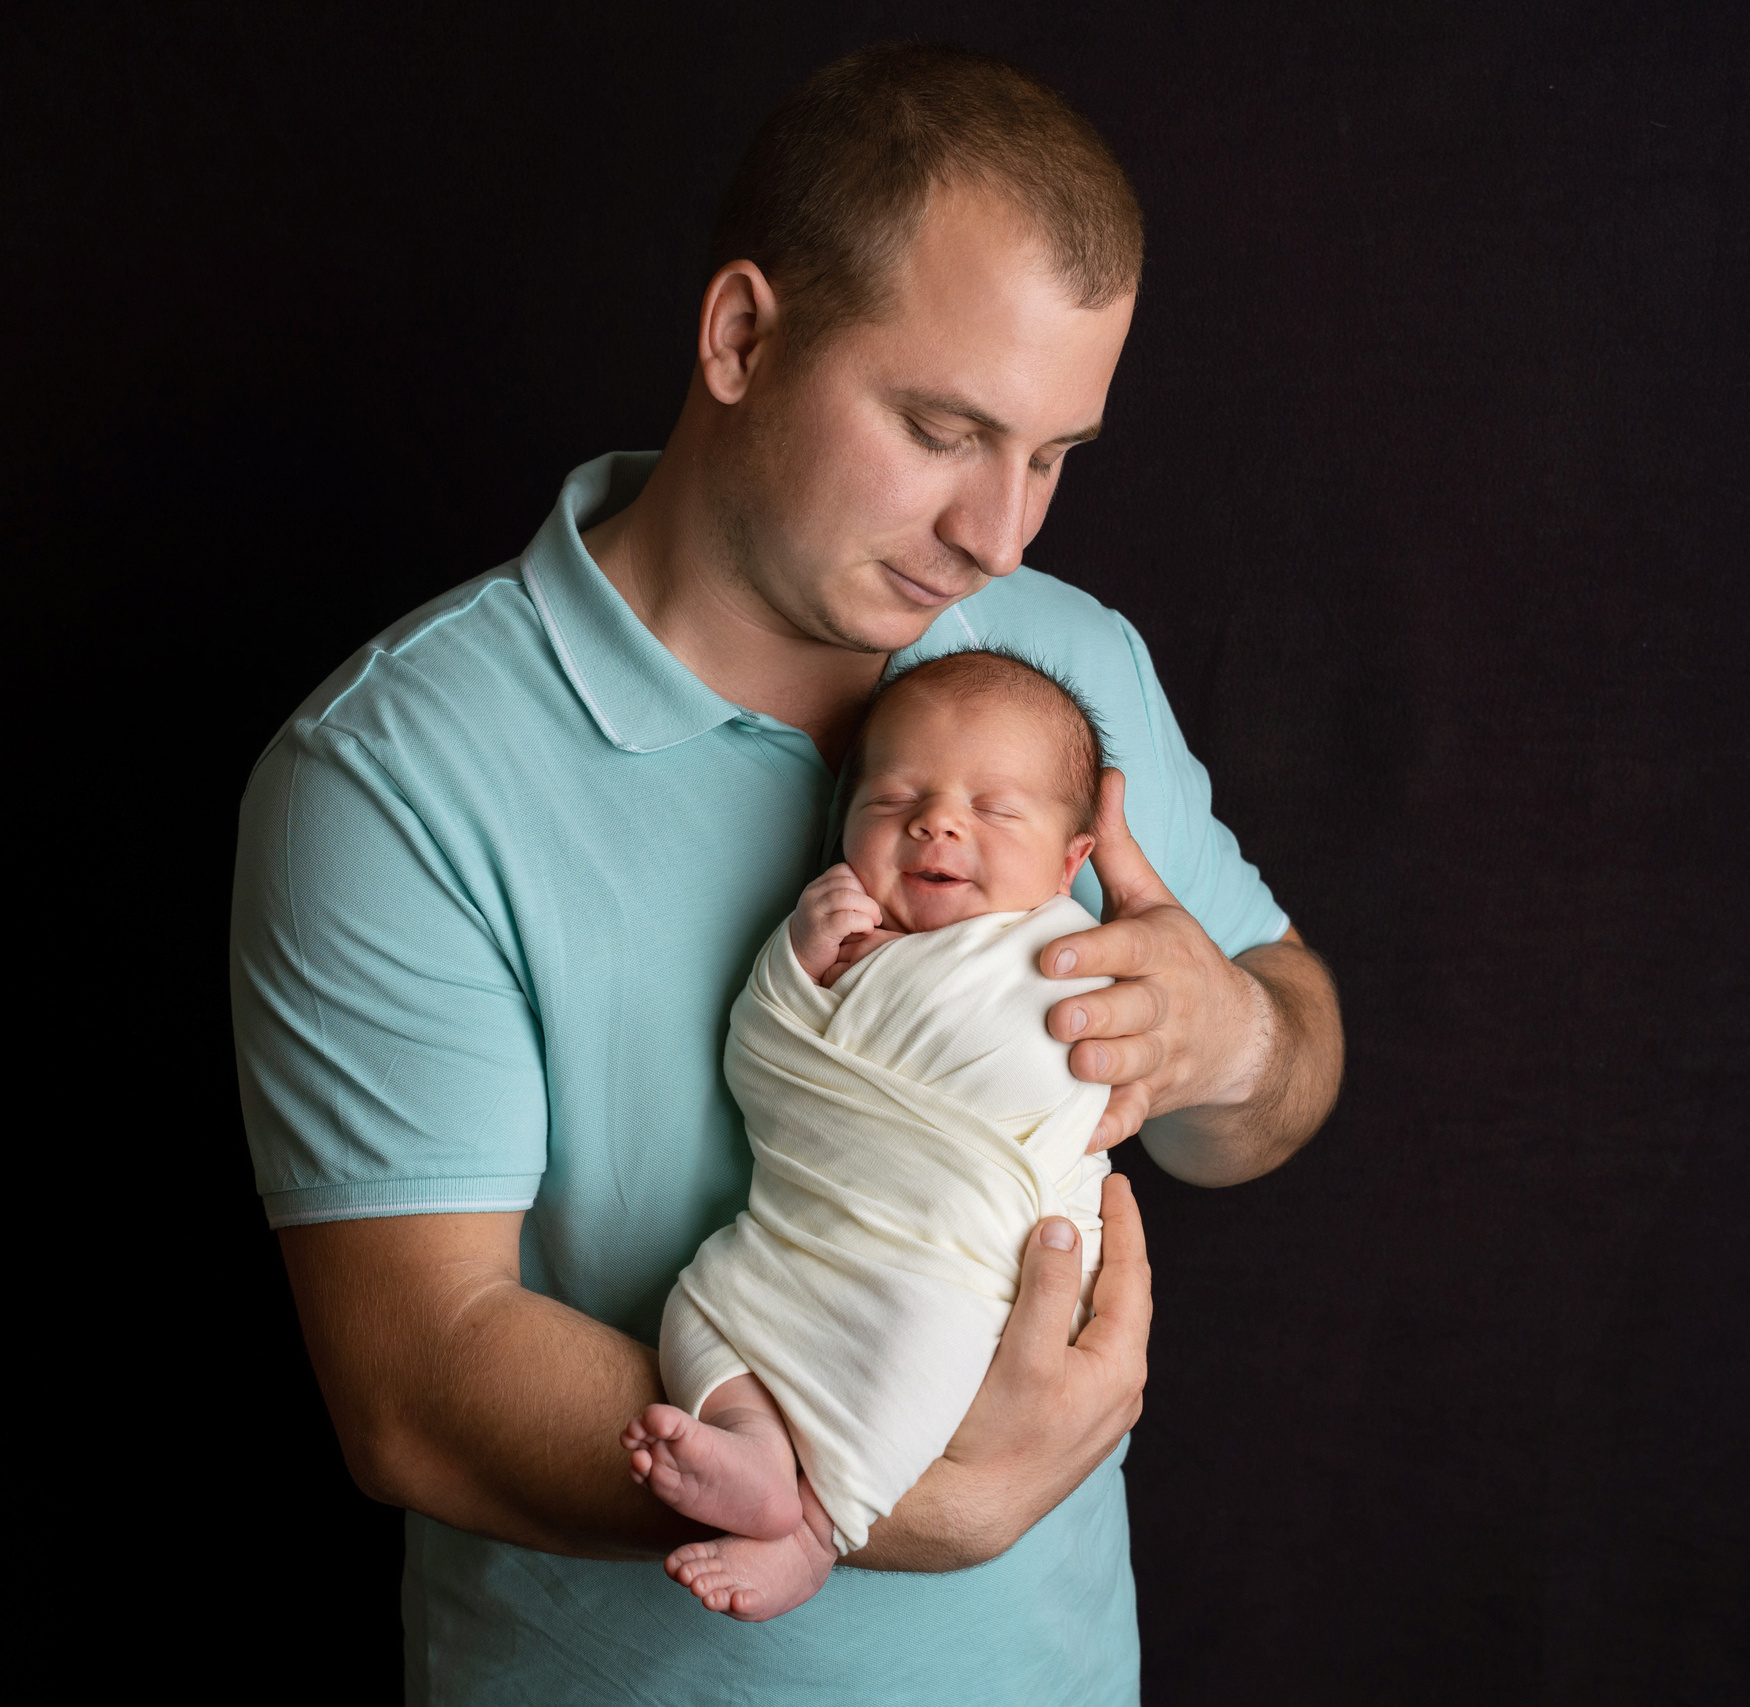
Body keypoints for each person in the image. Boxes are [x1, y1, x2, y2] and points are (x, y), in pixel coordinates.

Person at [233, 42, 1343, 1704]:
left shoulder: (1060, 662)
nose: (1000, 535)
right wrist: (897, 1498)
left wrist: (1229, 1041)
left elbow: (1284, 1061)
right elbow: (417, 1382)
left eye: (1053, 453)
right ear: (742, 334)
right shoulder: (393, 775)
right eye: (943, 429)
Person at [627, 650, 1124, 1623]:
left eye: (994, 808)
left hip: (954, 1264)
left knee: (919, 1356)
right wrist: (796, 964)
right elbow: (759, 1061)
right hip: (797, 1234)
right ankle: (753, 1451)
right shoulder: (826, 940)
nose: (937, 823)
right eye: (896, 798)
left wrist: (889, 980)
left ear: (1070, 863)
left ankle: (817, 1528)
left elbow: (1047, 1063)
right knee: (700, 1308)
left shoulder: (1062, 954)